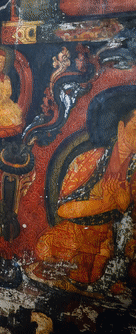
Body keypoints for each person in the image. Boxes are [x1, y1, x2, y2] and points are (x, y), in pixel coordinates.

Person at [33, 106, 136, 287]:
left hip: (106, 239)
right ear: (121, 127)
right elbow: (64, 209)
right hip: (75, 231)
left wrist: (126, 205)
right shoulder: (91, 159)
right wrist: (107, 203)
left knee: (98, 271)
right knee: (44, 248)